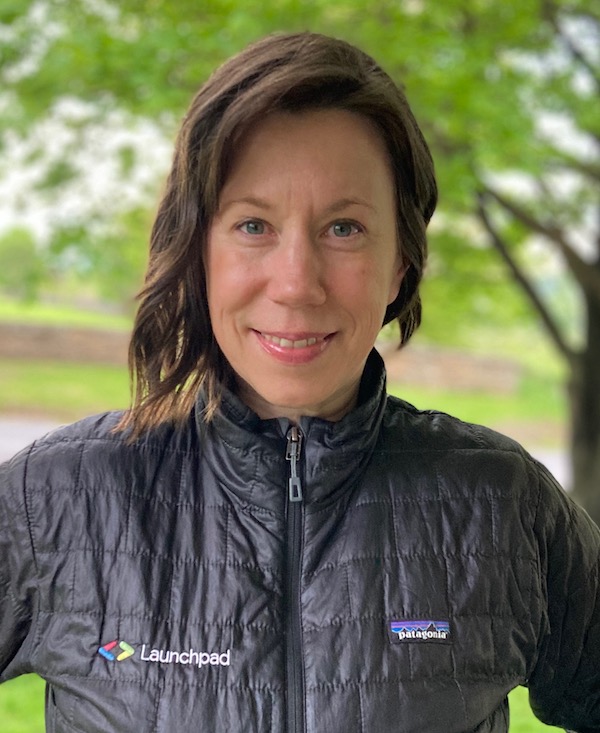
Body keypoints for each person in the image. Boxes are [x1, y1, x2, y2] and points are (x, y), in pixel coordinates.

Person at [0, 31, 598, 733]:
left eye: (344, 228)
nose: (295, 283)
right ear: (198, 250)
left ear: (400, 263)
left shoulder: (504, 503)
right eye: (253, 224)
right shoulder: (53, 499)